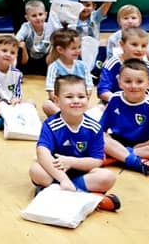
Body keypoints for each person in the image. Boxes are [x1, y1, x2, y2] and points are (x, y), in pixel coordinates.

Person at [29, 75, 121, 212]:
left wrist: (71, 162)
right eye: (69, 97)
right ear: (56, 100)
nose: (76, 101)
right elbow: (42, 153)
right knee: (36, 170)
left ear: (88, 98)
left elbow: (96, 161)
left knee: (108, 177)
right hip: (55, 173)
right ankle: (90, 198)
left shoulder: (94, 128)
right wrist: (63, 179)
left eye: (81, 96)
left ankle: (54, 192)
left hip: (82, 174)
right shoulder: (50, 125)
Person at [100, 59, 149, 178]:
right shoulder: (115, 99)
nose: (133, 86)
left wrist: (140, 146)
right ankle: (137, 163)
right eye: (128, 81)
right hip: (116, 141)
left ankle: (116, 157)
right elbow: (100, 129)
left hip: (143, 145)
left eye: (139, 82)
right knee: (99, 137)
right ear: (119, 82)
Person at [43, 28, 90, 116]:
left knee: (98, 108)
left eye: (79, 47)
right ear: (60, 49)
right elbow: (51, 90)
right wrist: (62, 103)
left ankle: (74, 116)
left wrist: (81, 100)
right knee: (47, 105)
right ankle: (67, 116)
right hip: (60, 104)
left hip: (78, 102)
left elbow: (89, 87)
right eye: (73, 48)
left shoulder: (83, 66)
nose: (78, 51)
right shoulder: (54, 67)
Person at [16, 0, 58, 77]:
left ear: (46, 15)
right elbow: (17, 38)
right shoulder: (26, 26)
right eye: (34, 16)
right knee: (21, 44)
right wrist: (21, 44)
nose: (38, 18)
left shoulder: (49, 26)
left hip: (45, 59)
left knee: (56, 45)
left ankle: (53, 71)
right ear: (27, 18)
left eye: (40, 14)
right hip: (28, 58)